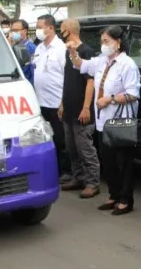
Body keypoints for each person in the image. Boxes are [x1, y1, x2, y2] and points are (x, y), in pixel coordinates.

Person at [67, 25, 141, 215]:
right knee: (108, 161)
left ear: (118, 43)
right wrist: (73, 53)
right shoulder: (101, 61)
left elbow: (133, 94)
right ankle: (114, 195)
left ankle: (126, 199)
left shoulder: (127, 65)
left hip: (120, 122)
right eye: (102, 41)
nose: (103, 45)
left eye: (107, 41)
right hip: (102, 122)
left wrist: (111, 98)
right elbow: (80, 65)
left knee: (123, 162)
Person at [58, 19, 100, 199]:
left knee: (85, 148)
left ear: (67, 31)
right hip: (68, 108)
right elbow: (65, 79)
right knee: (71, 147)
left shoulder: (86, 51)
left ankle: (92, 182)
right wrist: (61, 103)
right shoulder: (68, 53)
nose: (61, 34)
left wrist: (86, 108)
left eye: (61, 30)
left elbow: (90, 82)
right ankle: (78, 177)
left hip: (82, 110)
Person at [33, 14, 71, 182]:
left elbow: (67, 77)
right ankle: (52, 169)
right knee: (46, 138)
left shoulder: (61, 48)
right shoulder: (39, 48)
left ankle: (66, 171)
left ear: (50, 28)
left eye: (40, 27)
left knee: (61, 139)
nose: (38, 30)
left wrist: (63, 101)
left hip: (57, 102)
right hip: (41, 102)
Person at [10, 19, 36, 84]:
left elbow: (33, 72)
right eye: (12, 30)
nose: (13, 33)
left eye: (16, 30)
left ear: (25, 31)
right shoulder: (13, 46)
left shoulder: (31, 48)